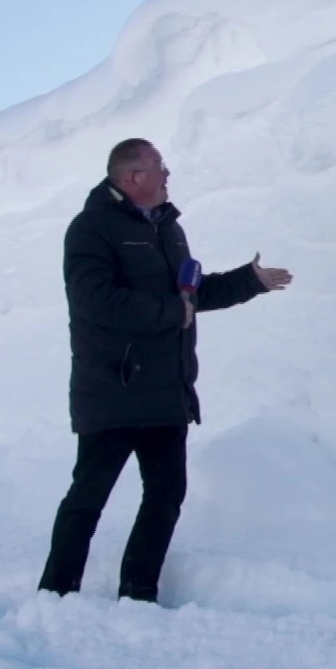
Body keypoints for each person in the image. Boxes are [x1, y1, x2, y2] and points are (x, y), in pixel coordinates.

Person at [38, 137, 292, 603]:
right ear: (133, 177)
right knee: (87, 500)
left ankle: (138, 593)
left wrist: (247, 281)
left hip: (167, 391)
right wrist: (169, 313)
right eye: (160, 166)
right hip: (113, 391)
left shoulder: (169, 230)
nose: (168, 173)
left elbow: (188, 298)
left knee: (165, 497)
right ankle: (55, 594)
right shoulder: (91, 229)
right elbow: (95, 301)